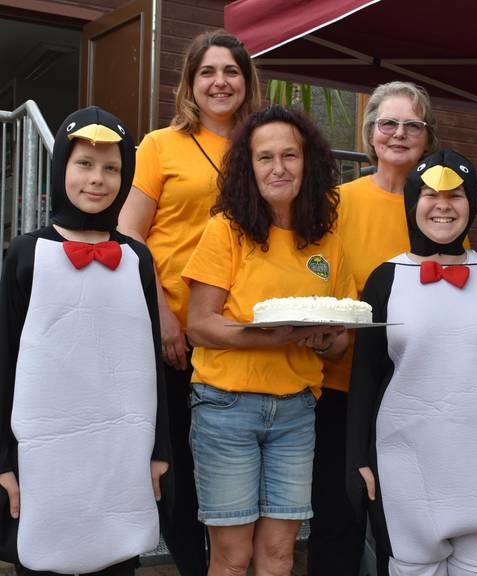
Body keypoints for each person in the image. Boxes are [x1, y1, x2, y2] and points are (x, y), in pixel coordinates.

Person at [347, 149, 477, 576]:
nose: (442, 205)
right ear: (412, 202)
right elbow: (364, 377)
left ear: (471, 202)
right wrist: (355, 459)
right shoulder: (385, 279)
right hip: (407, 468)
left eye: (456, 195)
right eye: (429, 195)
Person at [182, 105, 356, 576]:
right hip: (226, 408)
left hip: (297, 412)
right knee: (232, 557)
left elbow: (341, 340)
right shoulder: (226, 231)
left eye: (289, 156)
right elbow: (199, 325)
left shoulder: (327, 241)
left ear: (309, 163)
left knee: (279, 555)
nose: (278, 168)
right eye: (265, 158)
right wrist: (269, 338)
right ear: (248, 167)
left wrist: (322, 341)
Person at [0, 106, 170, 575]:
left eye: (111, 168)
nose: (97, 179)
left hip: (120, 449)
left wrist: (159, 451)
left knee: (116, 558)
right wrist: (3, 460)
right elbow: (4, 358)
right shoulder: (26, 254)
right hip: (45, 451)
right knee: (43, 556)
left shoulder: (136, 257)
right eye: (84, 164)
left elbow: (152, 361)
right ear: (61, 168)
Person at [118, 29, 260, 576]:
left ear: (247, 83)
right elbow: (131, 235)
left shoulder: (261, 145)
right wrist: (164, 317)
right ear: (190, 83)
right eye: (208, 72)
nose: (220, 82)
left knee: (231, 471)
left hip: (243, 336)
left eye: (230, 71)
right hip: (175, 334)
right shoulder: (160, 146)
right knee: (177, 466)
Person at [308, 81, 441, 576]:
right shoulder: (336, 203)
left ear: (427, 138)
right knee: (337, 520)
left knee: (402, 523)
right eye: (388, 123)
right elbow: (316, 274)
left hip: (410, 393)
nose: (399, 134)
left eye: (413, 125)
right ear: (370, 134)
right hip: (339, 388)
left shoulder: (441, 207)